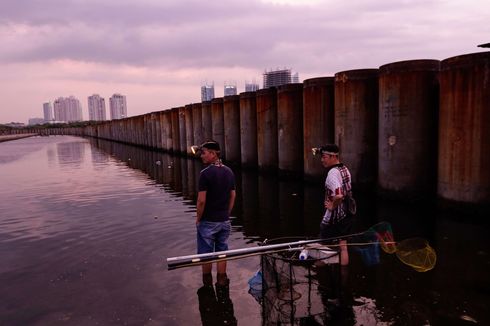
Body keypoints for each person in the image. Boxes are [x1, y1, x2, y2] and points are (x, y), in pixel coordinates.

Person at [196, 140, 236, 285]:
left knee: (206, 255)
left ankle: (207, 285)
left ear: (213, 154)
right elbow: (233, 196)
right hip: (224, 221)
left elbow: (201, 201)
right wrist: (227, 213)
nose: (202, 156)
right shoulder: (229, 171)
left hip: (208, 221)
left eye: (204, 152)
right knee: (222, 253)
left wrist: (198, 218)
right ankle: (222, 282)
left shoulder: (205, 174)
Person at [318, 144, 353, 266]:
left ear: (333, 156)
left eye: (324, 157)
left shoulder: (332, 173)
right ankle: (344, 273)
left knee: (322, 245)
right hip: (347, 213)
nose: (322, 160)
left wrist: (332, 205)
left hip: (334, 216)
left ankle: (321, 272)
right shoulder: (344, 169)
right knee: (343, 246)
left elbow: (339, 195)